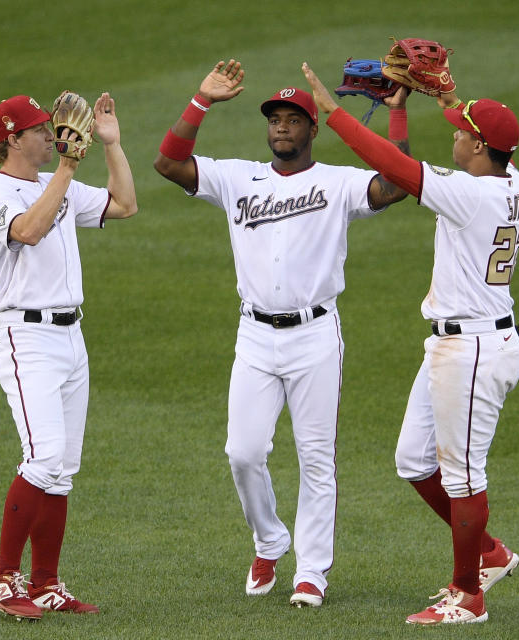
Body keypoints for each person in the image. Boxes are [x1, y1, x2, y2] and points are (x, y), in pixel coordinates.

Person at [153, 60, 408, 608]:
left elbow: (397, 183)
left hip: (315, 336)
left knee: (316, 458)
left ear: (313, 128)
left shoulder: (337, 182)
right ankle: (269, 538)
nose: (282, 128)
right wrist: (201, 100)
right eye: (276, 119)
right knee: (242, 453)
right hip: (254, 337)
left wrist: (399, 117)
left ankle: (312, 572)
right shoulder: (237, 177)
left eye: (294, 119)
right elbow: (169, 164)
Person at [302, 62, 519, 625]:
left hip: (472, 351)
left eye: (460, 130)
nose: (451, 133)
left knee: (463, 476)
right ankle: (489, 554)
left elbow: (393, 167)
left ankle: (466, 596)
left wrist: (333, 114)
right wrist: (411, 104)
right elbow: (417, 164)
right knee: (412, 460)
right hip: (462, 343)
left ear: (479, 148)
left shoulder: (469, 196)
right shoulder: (510, 181)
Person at [0, 91, 137, 620]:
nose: (54, 134)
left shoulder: (54, 181)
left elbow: (124, 205)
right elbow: (28, 230)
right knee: (42, 458)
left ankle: (45, 583)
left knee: (61, 471)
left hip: (72, 339)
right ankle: (2, 577)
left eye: (53, 126)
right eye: (41, 129)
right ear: (12, 138)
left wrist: (111, 145)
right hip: (28, 339)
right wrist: (66, 169)